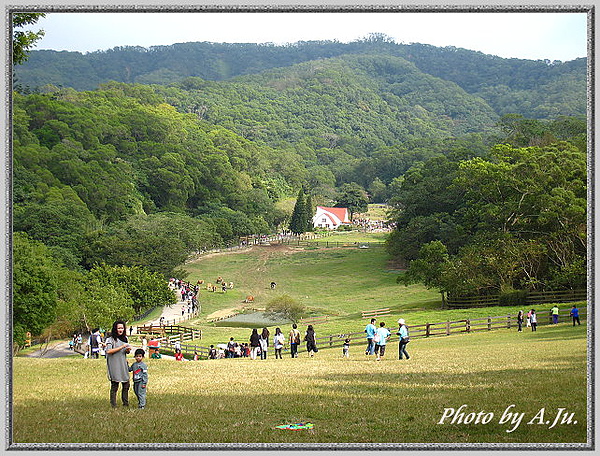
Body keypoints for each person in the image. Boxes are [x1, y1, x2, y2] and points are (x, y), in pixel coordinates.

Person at [105, 320, 132, 408]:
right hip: (114, 365)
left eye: (122, 328)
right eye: (119, 328)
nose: (120, 330)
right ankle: (113, 404)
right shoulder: (110, 339)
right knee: (115, 385)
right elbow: (109, 351)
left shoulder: (125, 339)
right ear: (115, 329)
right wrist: (122, 347)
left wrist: (127, 350)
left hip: (123, 364)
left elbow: (125, 352)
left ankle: (125, 403)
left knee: (126, 384)